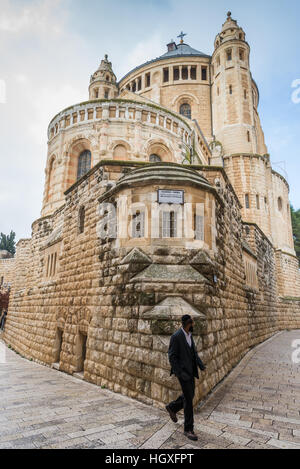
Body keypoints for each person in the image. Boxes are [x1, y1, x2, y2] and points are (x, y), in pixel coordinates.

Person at [166, 315, 206, 441]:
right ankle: (188, 429)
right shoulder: (176, 337)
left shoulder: (190, 335)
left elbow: (193, 353)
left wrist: (201, 365)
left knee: (190, 395)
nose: (194, 325)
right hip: (183, 374)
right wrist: (179, 373)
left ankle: (172, 407)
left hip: (191, 372)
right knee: (189, 400)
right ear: (188, 324)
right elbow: (172, 356)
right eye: (192, 323)